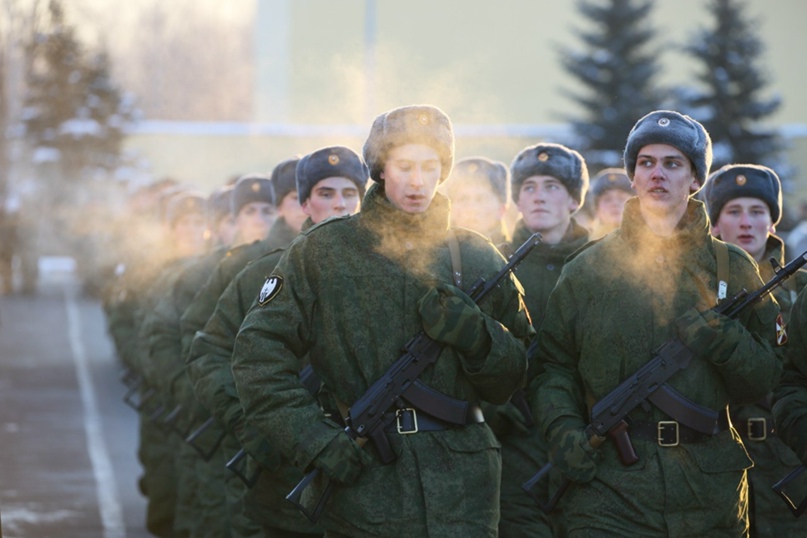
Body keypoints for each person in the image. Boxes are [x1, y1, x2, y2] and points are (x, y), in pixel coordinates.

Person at [231, 104, 533, 538]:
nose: (417, 180)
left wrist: (478, 336)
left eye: (430, 167)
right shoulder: (323, 252)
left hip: (464, 489)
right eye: (404, 165)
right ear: (380, 169)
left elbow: (518, 374)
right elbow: (258, 358)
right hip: (365, 482)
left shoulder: (477, 255)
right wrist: (314, 441)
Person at [528, 110, 782, 536]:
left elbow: (768, 376)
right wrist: (563, 429)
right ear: (633, 176)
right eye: (646, 163)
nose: (657, 174)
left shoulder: (731, 267)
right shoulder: (588, 268)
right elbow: (552, 367)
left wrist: (724, 340)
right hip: (610, 488)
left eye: (673, 163)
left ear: (696, 179)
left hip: (710, 490)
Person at [187, 144, 368, 537]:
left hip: (369, 476)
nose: (340, 205)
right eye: (326, 194)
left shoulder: (388, 272)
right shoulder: (265, 272)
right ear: (304, 204)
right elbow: (208, 351)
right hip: (288, 471)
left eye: (349, 194)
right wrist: (252, 423)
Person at [490, 142, 590, 537]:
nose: (538, 196)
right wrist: (491, 406)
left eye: (551, 186)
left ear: (573, 199)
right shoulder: (493, 263)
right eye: (528, 187)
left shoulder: (599, 265)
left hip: (585, 431)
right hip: (516, 434)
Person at [702, 163, 807, 537]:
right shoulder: (696, 288)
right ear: (714, 224)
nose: (746, 222)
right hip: (714, 459)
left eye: (757, 211)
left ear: (772, 224)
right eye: (733, 211)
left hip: (787, 455)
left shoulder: (801, 291)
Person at [442, 156, 512, 244]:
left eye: (481, 199)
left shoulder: (522, 254)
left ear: (502, 209)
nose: (471, 208)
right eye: (463, 199)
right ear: (451, 208)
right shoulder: (436, 254)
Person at [587, 167, 633, 239]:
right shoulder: (584, 245)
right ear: (596, 209)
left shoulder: (651, 240)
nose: (615, 204)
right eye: (607, 200)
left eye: (621, 199)